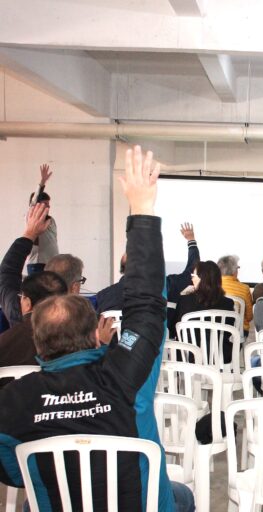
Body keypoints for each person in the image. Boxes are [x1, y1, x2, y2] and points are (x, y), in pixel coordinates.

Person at [0, 145, 194, 511]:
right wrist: (142, 210)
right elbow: (147, 307)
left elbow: (13, 471)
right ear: (94, 335)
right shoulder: (124, 375)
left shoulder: (14, 400)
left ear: (38, 345)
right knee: (183, 496)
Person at [173, 260, 235, 361]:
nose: (192, 279)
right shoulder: (228, 303)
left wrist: (183, 295)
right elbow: (229, 332)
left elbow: (175, 328)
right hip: (219, 357)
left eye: (193, 276)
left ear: (202, 279)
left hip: (188, 356)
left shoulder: (185, 301)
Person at [25, 164, 59, 275]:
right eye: (45, 204)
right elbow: (34, 202)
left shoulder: (51, 220)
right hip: (37, 264)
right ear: (37, 205)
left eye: (48, 204)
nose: (48, 207)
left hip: (51, 263)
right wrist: (42, 182)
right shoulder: (33, 217)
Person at [218, 254, 254, 337]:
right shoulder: (244, 288)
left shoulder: (213, 287)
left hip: (217, 332)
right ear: (234, 271)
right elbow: (249, 317)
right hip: (238, 333)